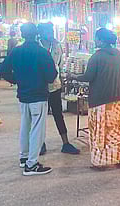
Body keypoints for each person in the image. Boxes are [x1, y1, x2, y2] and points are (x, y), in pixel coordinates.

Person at [0, 23, 57, 176]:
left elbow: (2, 70)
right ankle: (32, 164)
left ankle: (24, 157)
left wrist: (16, 80)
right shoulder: (42, 52)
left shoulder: (16, 51)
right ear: (37, 34)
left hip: (23, 95)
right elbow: (51, 77)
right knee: (37, 130)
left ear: (22, 34)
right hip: (38, 95)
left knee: (25, 127)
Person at [70, 28, 120, 170]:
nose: (94, 40)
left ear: (101, 40)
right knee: (116, 130)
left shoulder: (97, 57)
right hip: (119, 100)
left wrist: (74, 76)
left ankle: (101, 161)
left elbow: (88, 77)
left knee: (99, 131)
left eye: (96, 38)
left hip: (101, 101)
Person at [38, 23, 80, 155]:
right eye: (47, 31)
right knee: (40, 116)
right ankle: (40, 144)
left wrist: (61, 79)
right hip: (39, 86)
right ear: (41, 32)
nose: (50, 33)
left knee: (58, 114)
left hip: (55, 85)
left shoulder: (56, 46)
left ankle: (66, 143)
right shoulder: (36, 46)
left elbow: (60, 64)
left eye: (51, 30)